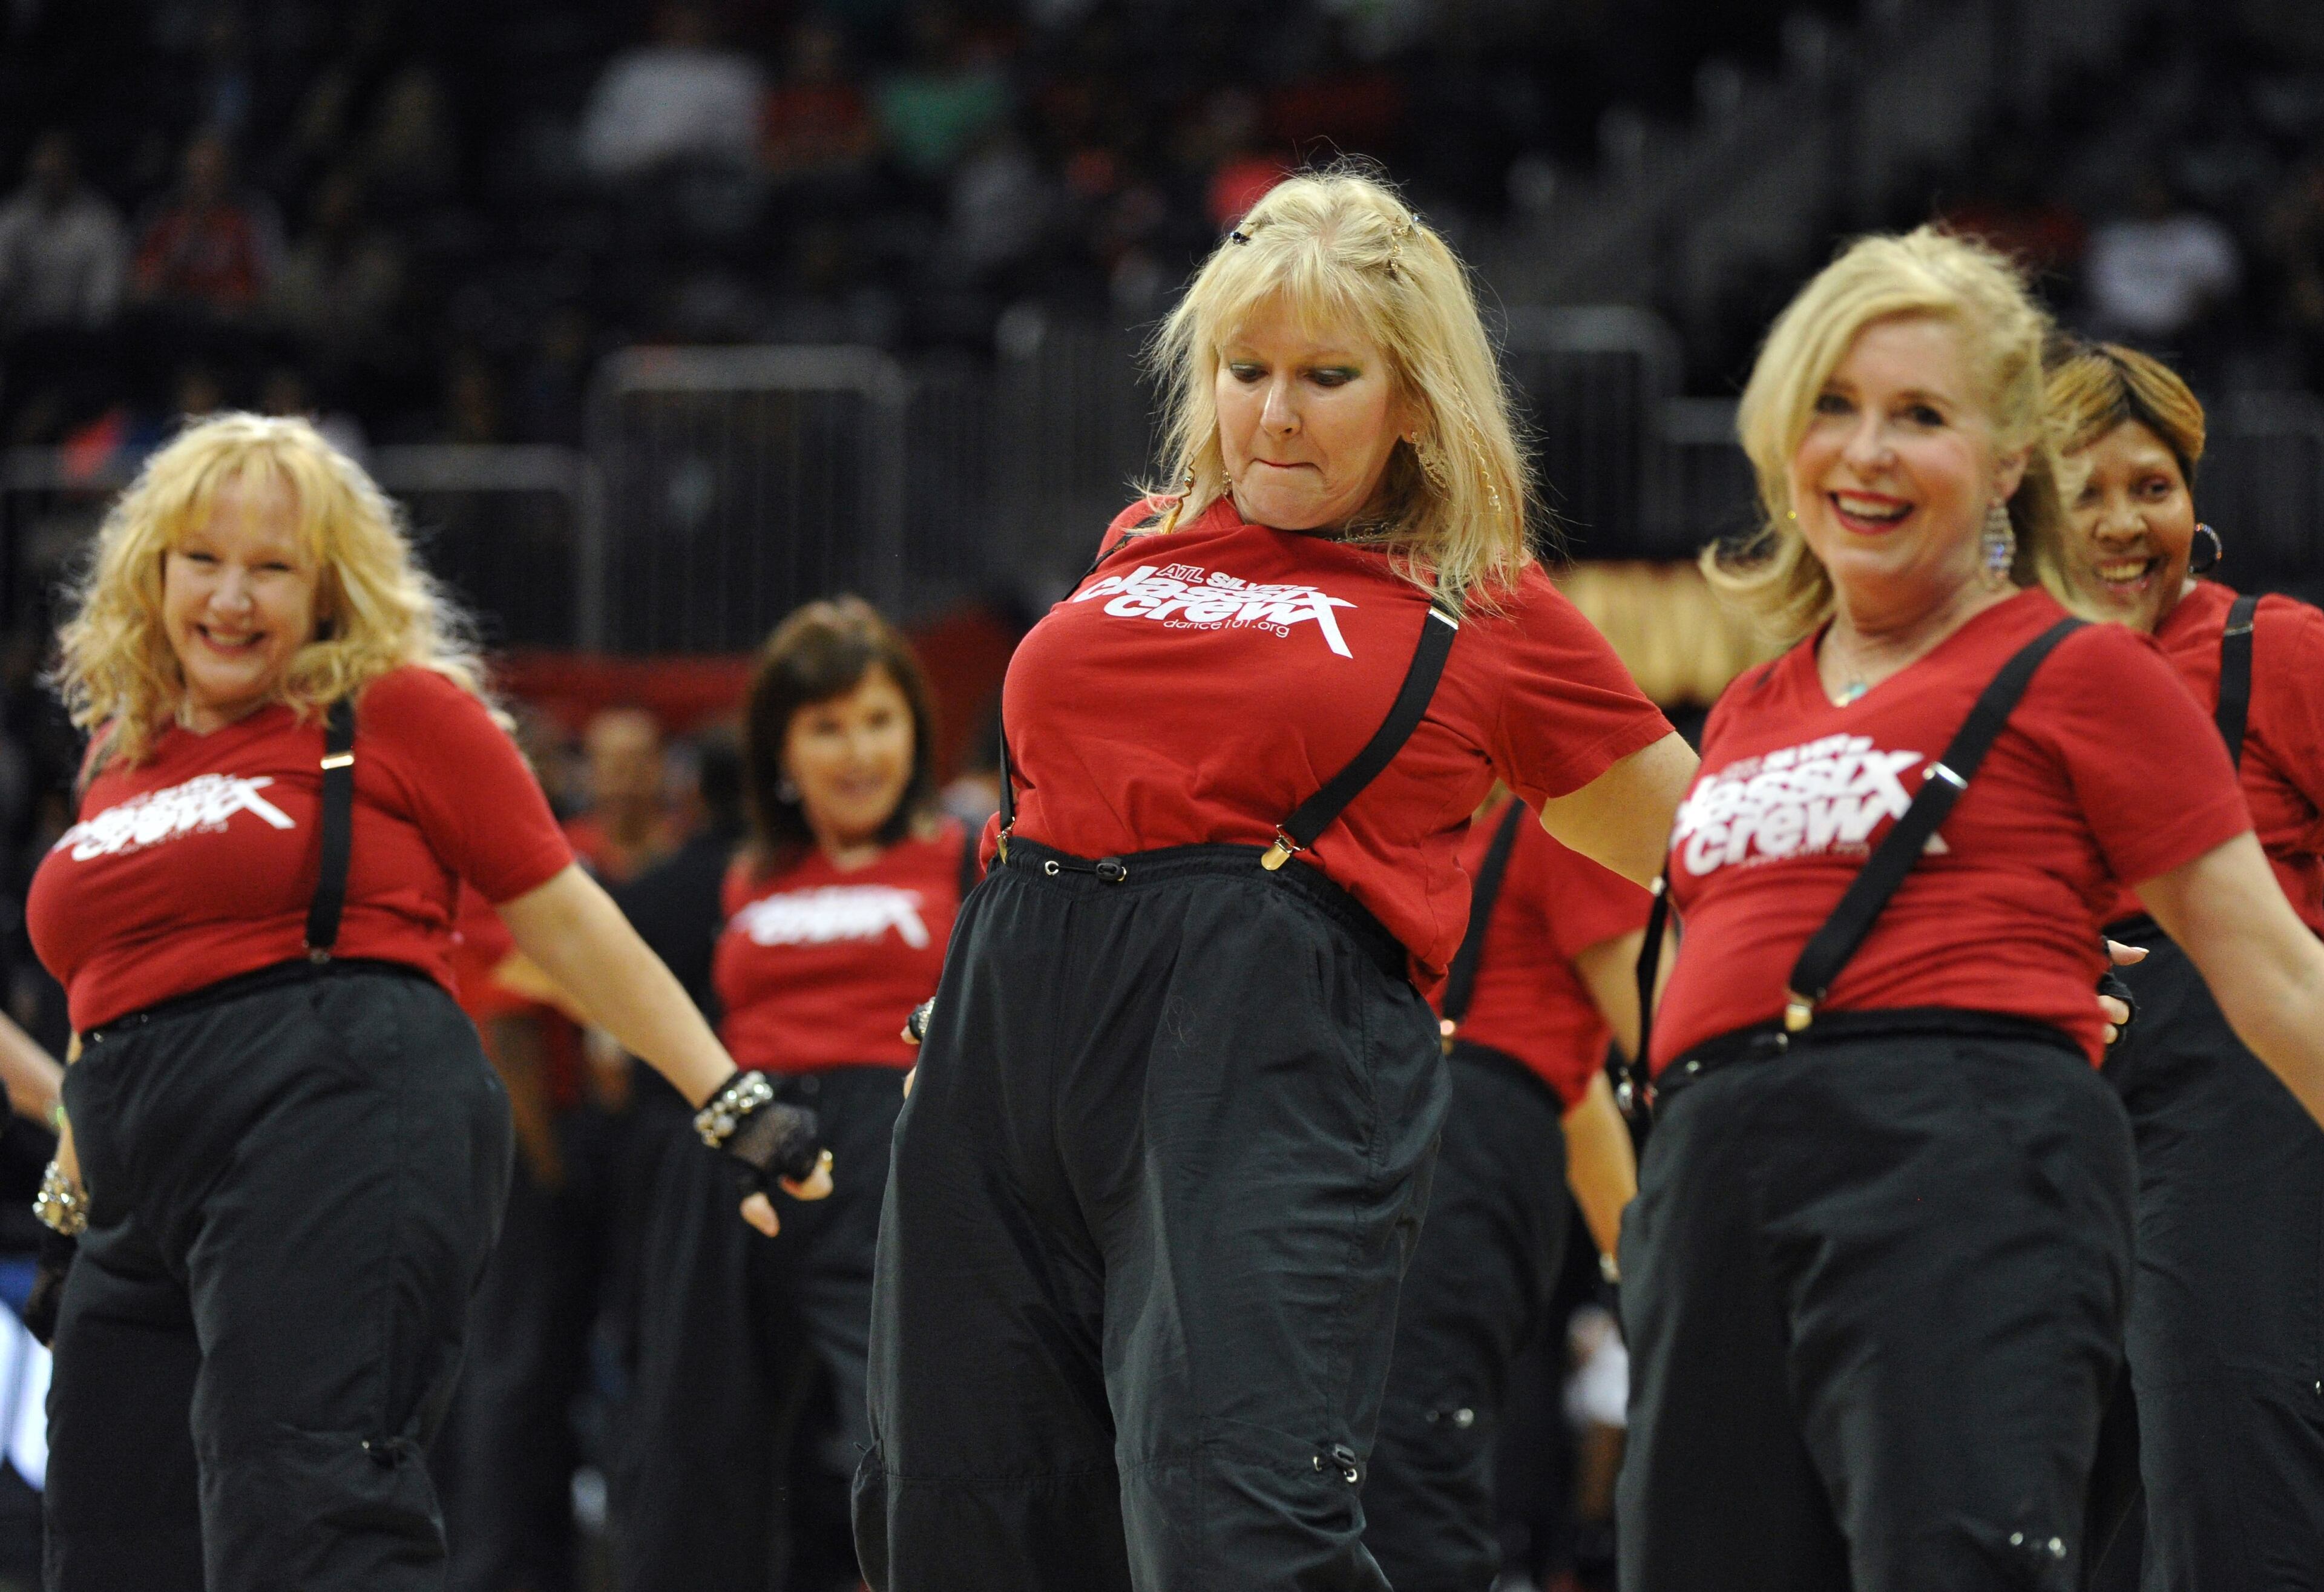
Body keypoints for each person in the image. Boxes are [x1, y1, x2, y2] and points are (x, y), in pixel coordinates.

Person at [853, 167, 1695, 1591]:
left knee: (1234, 1525)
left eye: (1326, 375)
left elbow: (1704, 842)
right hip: (1007, 1038)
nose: (1275, 414)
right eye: (1245, 369)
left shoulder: (1481, 602)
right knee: (956, 1508)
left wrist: (1971, 926)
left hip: (1265, 1047)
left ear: (1415, 400)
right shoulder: (1145, 538)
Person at [1620, 227, 2324, 1592]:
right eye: (1835, 404)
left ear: (2006, 462)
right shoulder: (1755, 701)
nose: (1866, 450)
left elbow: (2281, 981)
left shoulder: (2093, 672)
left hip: (1958, 1171)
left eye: (1919, 416)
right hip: (1714, 1199)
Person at [24, 413, 829, 1592]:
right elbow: (109, 995)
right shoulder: (116, 755)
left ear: (330, 588)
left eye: (273, 567)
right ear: (150, 570)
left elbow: (563, 914)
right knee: (104, 1538)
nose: (232, 598)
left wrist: (730, 1102)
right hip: (138, 1167)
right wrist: (68, 1195)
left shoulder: (394, 712)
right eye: (202, 559)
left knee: (303, 1511)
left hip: (332, 1097)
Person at [2045, 340, 2324, 1590]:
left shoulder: (2286, 652)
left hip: (2243, 1085)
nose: (2121, 524)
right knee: (2044, 1494)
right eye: (2083, 490)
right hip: (2045, 1093)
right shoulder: (1989, 679)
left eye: (2151, 486)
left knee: (2222, 1452)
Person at [625, 596, 971, 1592]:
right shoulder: (742, 878)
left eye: (877, 719)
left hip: (895, 1161)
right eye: (826, 726)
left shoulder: (966, 853)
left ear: (916, 728)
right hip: (739, 1153)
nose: (856, 750)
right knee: (697, 1443)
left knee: (907, 1436)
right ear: (782, 748)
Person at [1362, 788, 1647, 1592]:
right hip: (1394, 1130)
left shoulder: (1559, 829)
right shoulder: (1426, 830)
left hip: (1472, 1141)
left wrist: (1652, 1268)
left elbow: (1659, 1040)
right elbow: (1577, 1080)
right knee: (1369, 1448)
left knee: (1417, 1443)